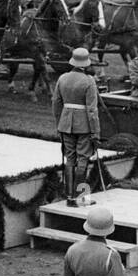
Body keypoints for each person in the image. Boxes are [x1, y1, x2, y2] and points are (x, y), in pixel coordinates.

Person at [53, 47, 100, 204]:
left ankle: (69, 197)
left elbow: (56, 103)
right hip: (84, 126)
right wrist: (95, 132)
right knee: (83, 159)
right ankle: (81, 197)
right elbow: (92, 110)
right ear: (86, 64)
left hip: (66, 124)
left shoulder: (62, 78)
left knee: (70, 159)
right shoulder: (89, 81)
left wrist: (60, 122)